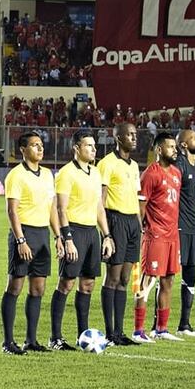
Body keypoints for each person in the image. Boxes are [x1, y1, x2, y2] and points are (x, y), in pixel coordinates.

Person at [53, 129, 114, 349]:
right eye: (88, 145)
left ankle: (83, 335)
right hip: (75, 231)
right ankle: (56, 337)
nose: (93, 149)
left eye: (94, 145)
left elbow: (99, 207)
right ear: (76, 148)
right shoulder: (66, 173)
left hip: (91, 233)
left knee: (87, 285)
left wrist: (106, 235)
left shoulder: (95, 172)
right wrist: (66, 238)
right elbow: (61, 208)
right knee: (67, 283)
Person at [0, 132, 60, 355]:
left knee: (38, 288)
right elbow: (12, 210)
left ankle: (31, 340)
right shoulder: (15, 176)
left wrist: (58, 236)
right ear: (23, 150)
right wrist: (20, 240)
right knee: (15, 286)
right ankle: (8, 342)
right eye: (34, 145)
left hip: (42, 234)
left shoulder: (47, 174)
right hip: (24, 234)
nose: (40, 149)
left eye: (41, 145)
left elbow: (52, 208)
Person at [133, 133, 183, 342]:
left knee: (169, 281)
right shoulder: (150, 174)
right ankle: (138, 331)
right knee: (147, 282)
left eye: (175, 146)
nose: (175, 150)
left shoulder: (176, 173)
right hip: (155, 236)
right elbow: (140, 208)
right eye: (170, 147)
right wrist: (141, 233)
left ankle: (161, 329)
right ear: (159, 150)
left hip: (172, 236)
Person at [97, 122, 140, 345]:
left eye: (135, 134)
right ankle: (109, 332)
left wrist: (139, 226)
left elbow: (135, 197)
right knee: (112, 278)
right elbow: (100, 201)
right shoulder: (106, 164)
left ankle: (120, 332)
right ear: (118, 138)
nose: (134, 138)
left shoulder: (134, 166)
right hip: (115, 220)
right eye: (130, 135)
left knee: (124, 278)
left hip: (133, 222)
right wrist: (106, 234)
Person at [174, 129, 195, 337]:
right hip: (178, 228)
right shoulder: (179, 166)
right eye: (194, 138)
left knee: (191, 274)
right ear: (184, 145)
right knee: (166, 276)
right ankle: (158, 325)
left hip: (194, 229)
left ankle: (184, 324)